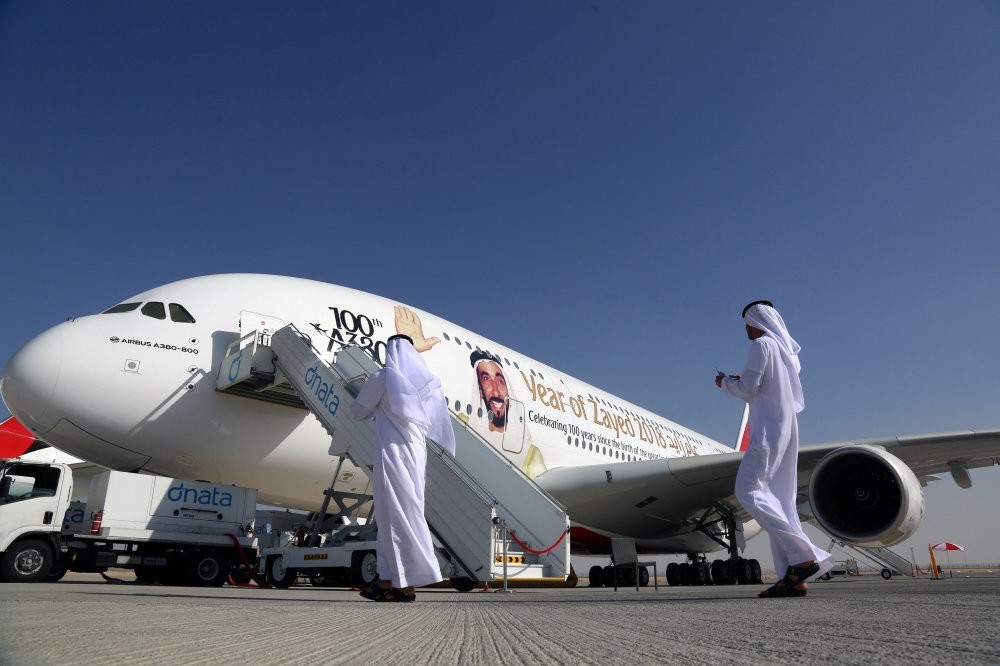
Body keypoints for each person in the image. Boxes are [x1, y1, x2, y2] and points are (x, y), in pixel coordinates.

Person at [716, 300, 832, 597]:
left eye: (748, 322)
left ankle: (803, 556)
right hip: (786, 430)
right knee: (780, 501)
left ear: (757, 321)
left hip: (767, 431)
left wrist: (724, 382)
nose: (746, 329)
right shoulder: (784, 352)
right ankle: (792, 578)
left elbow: (748, 390)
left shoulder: (761, 346)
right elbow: (766, 387)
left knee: (748, 490)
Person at [348, 305, 456, 602]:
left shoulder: (384, 378)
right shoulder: (424, 382)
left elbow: (357, 412)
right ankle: (386, 580)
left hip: (393, 455)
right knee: (396, 515)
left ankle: (404, 586)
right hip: (415, 454)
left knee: (394, 517)